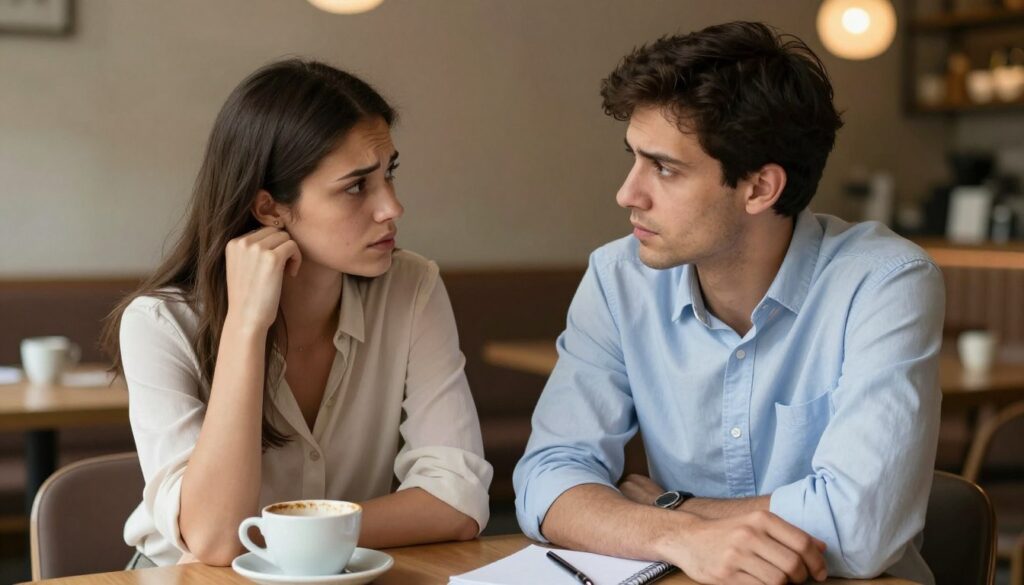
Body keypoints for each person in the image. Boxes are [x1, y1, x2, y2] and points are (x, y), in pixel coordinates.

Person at [513, 21, 943, 585]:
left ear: (760, 188)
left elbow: (859, 528)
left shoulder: (885, 282)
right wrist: (680, 534)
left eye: (664, 168)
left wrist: (670, 503)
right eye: (634, 158)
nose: (627, 194)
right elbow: (546, 479)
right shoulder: (618, 279)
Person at [103, 59, 492, 568]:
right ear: (269, 209)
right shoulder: (159, 324)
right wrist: (245, 326)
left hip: (342, 571)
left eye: (389, 174)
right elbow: (217, 542)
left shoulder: (411, 288)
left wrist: (295, 537)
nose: (392, 207)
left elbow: (457, 502)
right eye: (356, 186)